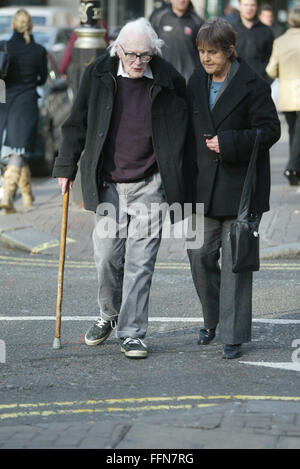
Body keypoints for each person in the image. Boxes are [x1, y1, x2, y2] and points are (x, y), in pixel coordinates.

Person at [52, 18, 188, 359]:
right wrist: (65, 167)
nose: (139, 61)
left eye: (146, 54)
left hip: (150, 184)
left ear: (154, 51)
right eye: (132, 55)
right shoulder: (98, 74)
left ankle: (132, 332)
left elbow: (184, 129)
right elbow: (75, 124)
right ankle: (108, 316)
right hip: (109, 183)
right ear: (118, 49)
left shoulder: (170, 79)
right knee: (107, 258)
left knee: (141, 263)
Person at [186, 18, 280, 359]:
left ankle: (232, 334)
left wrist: (229, 143)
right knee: (198, 256)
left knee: (237, 265)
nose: (206, 58)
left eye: (212, 52)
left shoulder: (252, 83)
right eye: (201, 52)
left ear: (229, 50)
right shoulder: (196, 80)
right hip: (201, 189)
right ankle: (213, 319)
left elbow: (270, 131)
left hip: (241, 189)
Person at [0, 9, 47, 214]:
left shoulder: (5, 47)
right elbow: (43, 78)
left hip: (5, 103)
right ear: (30, 26)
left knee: (16, 150)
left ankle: (19, 197)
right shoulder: (38, 50)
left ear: (13, 25)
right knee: (19, 150)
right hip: (26, 104)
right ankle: (13, 196)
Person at [266, 5, 300, 186]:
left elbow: (271, 70)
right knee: (297, 133)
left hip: (287, 95)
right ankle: (292, 166)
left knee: (294, 131)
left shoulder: (280, 41)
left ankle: (295, 168)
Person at [150, 0, 204, 82]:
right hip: (162, 79)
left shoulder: (197, 22)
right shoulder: (158, 18)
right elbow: (149, 47)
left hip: (188, 81)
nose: (181, 0)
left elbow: (203, 53)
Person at [232, 0, 274, 81]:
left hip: (260, 82)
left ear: (257, 7)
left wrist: (267, 79)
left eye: (252, 5)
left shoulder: (266, 31)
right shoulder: (230, 29)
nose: (249, 8)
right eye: (246, 5)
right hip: (234, 82)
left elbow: (270, 58)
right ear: (239, 6)